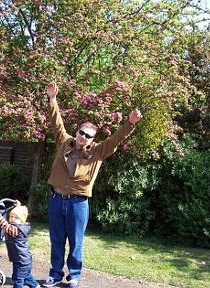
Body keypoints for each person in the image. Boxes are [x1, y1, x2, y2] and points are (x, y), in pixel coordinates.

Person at [42, 81, 143, 288]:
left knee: (76, 242)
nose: (83, 137)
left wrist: (130, 123)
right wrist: (52, 99)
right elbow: (56, 122)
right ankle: (54, 274)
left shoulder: (98, 152)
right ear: (77, 132)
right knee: (57, 239)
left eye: (88, 136)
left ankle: (74, 275)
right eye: (81, 132)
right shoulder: (64, 142)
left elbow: (115, 140)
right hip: (56, 199)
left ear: (91, 140)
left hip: (78, 203)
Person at [0, 201, 40, 288]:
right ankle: (35, 285)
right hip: (22, 259)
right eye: (11, 216)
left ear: (21, 221)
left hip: (21, 260)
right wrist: (18, 206)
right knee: (25, 276)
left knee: (18, 279)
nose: (12, 219)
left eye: (16, 218)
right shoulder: (21, 226)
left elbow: (4, 225)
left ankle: (31, 285)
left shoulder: (16, 230)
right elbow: (15, 219)